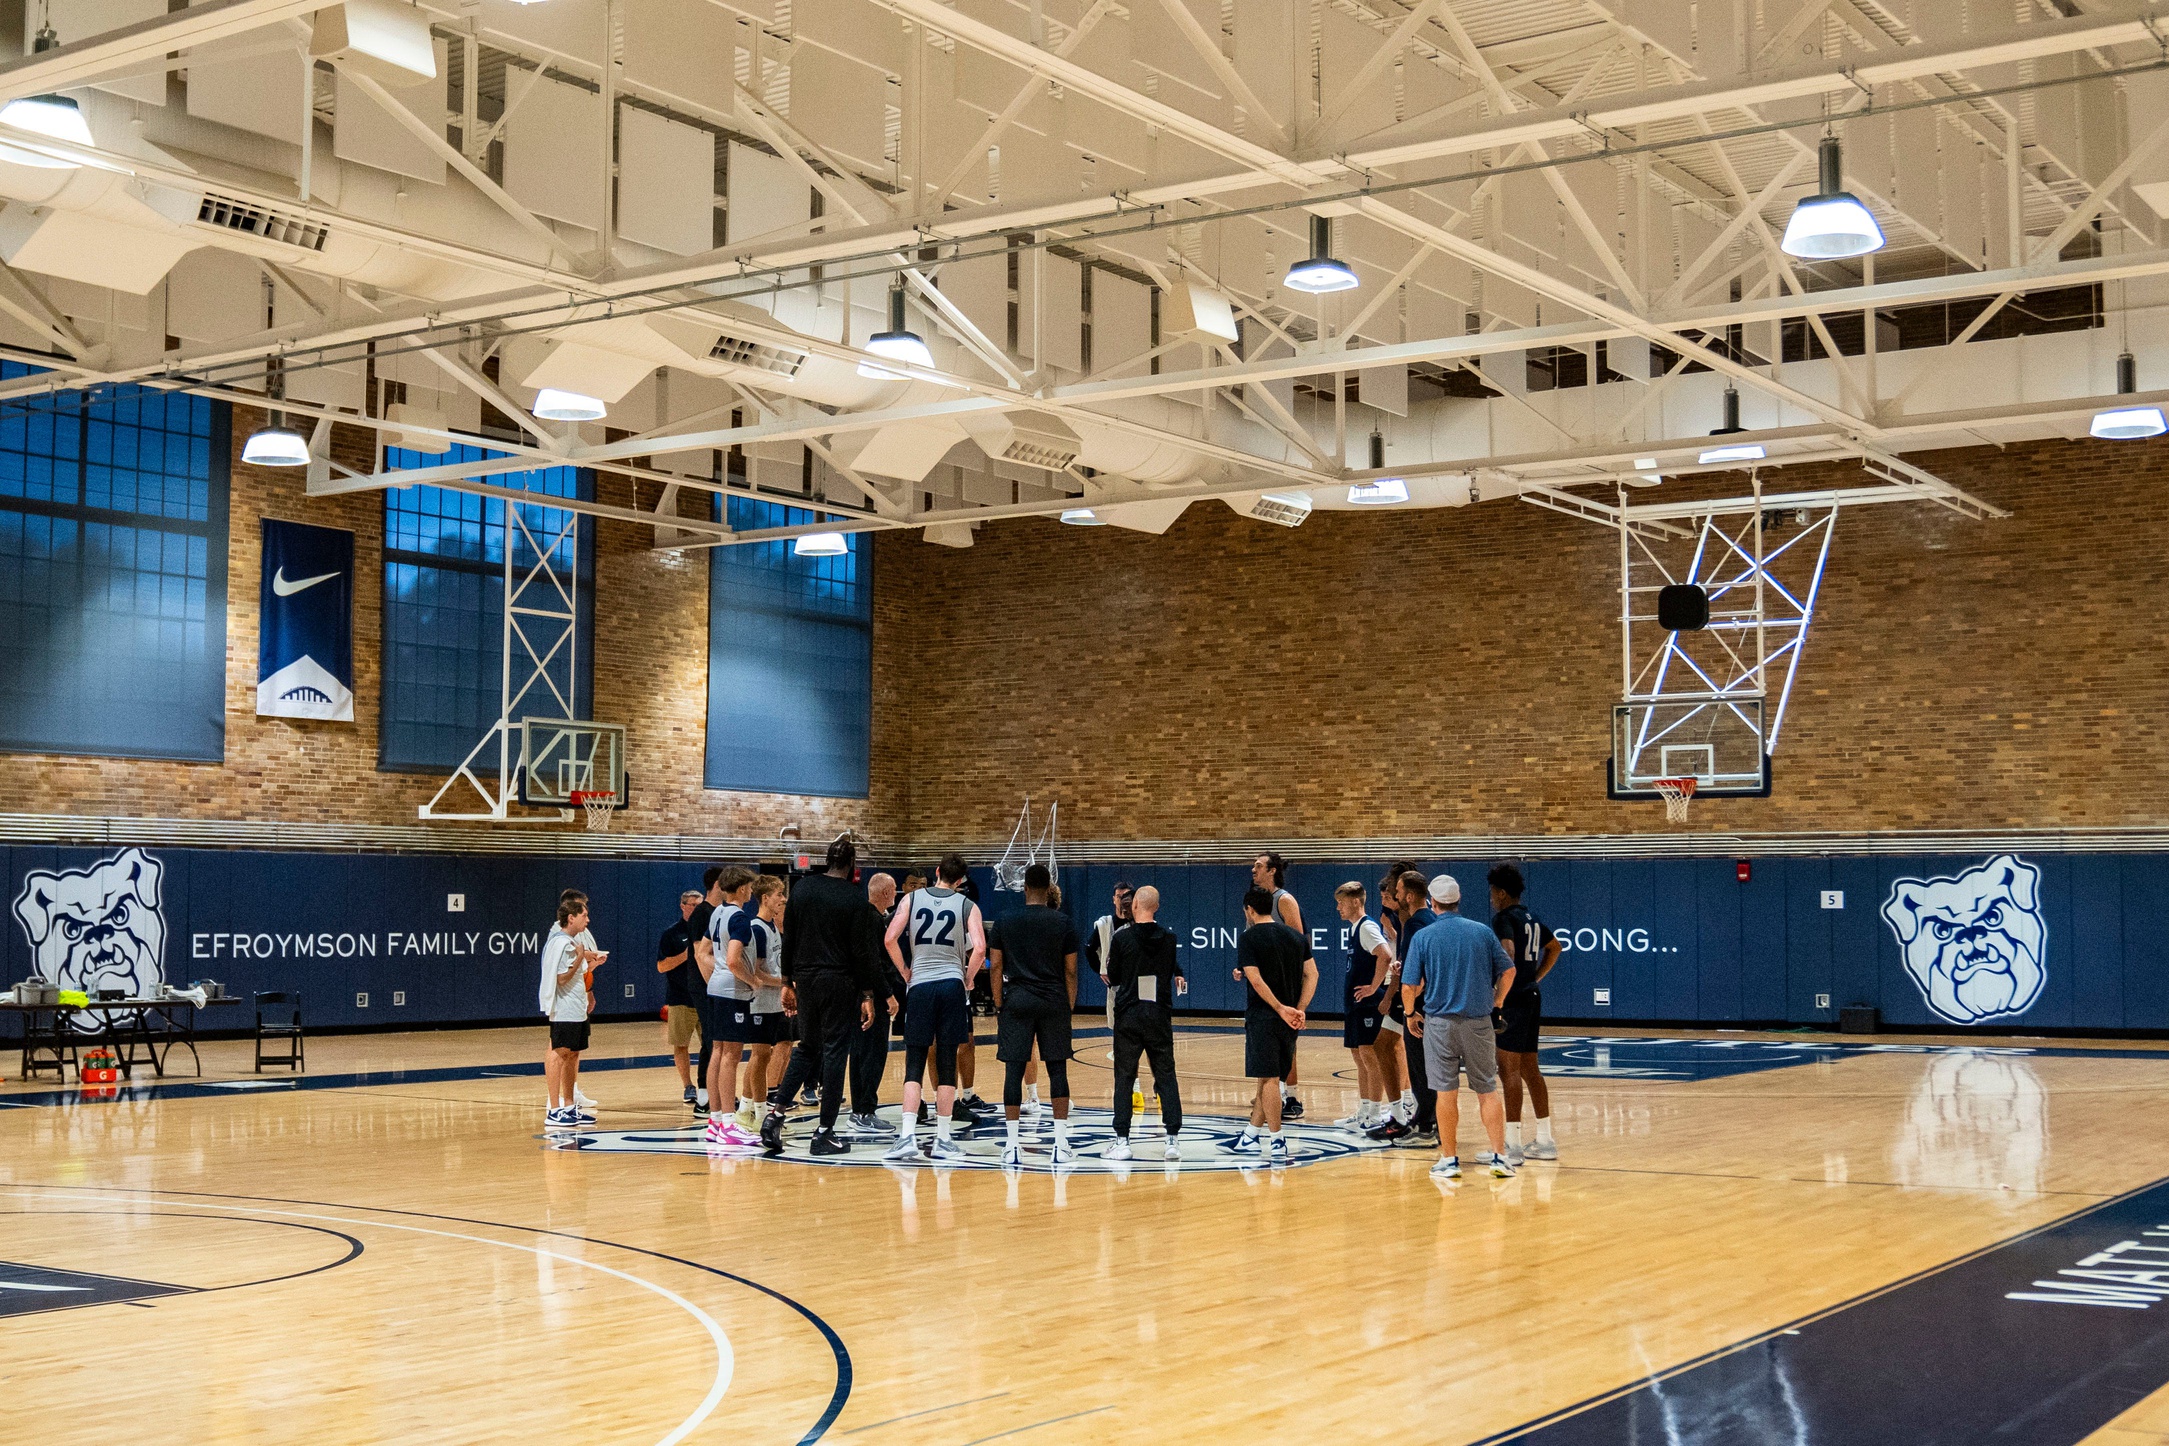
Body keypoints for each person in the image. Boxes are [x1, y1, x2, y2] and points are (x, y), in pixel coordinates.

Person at [760, 835, 884, 1157]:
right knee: (834, 1053)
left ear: (826, 860)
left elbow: (790, 937)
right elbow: (862, 953)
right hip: (839, 981)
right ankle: (825, 1132)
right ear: (853, 865)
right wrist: (867, 993)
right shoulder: (855, 898)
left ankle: (774, 1116)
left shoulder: (802, 889)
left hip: (806, 979)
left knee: (807, 1047)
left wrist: (788, 981)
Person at [1401, 874, 1517, 1180]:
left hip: (1439, 1025)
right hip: (1479, 1023)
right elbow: (1509, 972)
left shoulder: (1423, 937)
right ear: (1458, 900)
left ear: (1432, 902)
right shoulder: (1482, 933)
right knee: (1487, 1092)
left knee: (1445, 1094)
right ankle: (1499, 1157)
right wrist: (1497, 1003)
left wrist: (1412, 1013)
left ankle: (1450, 1161)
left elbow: (1409, 984)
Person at [883, 854, 985, 1163]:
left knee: (914, 1061)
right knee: (946, 1062)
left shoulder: (912, 899)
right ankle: (943, 1139)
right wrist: (967, 978)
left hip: (921, 985)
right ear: (960, 881)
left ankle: (906, 1138)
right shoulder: (968, 905)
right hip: (952, 985)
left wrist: (904, 971)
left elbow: (890, 938)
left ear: (937, 872)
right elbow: (980, 948)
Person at [989, 863, 1079, 1168]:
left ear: (1024, 887)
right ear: (1048, 887)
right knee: (1058, 1071)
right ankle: (1061, 1144)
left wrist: (1000, 1003)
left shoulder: (1004, 920)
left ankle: (1012, 1145)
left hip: (1016, 999)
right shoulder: (1063, 922)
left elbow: (996, 966)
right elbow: (1071, 970)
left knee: (1013, 1072)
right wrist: (1068, 1005)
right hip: (1054, 999)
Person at [1232, 886, 1316, 1165]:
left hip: (1265, 1016)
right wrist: (1300, 1010)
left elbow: (1255, 981)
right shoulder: (1295, 936)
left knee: (1268, 1079)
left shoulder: (1248, 937)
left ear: (1250, 910)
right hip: (1290, 1019)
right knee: (1268, 1077)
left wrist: (1280, 1008)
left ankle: (1277, 1140)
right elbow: (1312, 974)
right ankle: (1250, 1135)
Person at [1103, 884, 1185, 1162]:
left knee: (1124, 1077)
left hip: (1128, 1014)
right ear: (1157, 907)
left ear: (1134, 905)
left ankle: (1122, 1141)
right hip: (1158, 1014)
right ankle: (1172, 1140)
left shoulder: (1122, 939)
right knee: (1166, 1075)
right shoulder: (1169, 939)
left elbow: (1113, 976)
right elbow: (1168, 969)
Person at [1489, 863, 1562, 1164]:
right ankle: (1545, 1141)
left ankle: (1512, 1145)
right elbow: (1555, 947)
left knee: (1509, 1071)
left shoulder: (1503, 919)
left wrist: (1499, 996)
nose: (1491, 898)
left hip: (1513, 998)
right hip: (1531, 994)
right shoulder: (1532, 917)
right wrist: (1535, 977)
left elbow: (1506, 954)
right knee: (1530, 1068)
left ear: (1502, 893)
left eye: (1493, 893)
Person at [1370, 869, 1439, 1148]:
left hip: (1420, 1007)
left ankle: (1424, 1126)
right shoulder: (1430, 919)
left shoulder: (1415, 924)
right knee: (1427, 1069)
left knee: (1420, 1068)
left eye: (1396, 892)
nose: (1394, 896)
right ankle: (1423, 1119)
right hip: (1432, 1005)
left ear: (1408, 895)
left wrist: (1410, 1009)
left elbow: (1418, 975)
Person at [697, 867, 760, 1148]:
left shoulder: (716, 913)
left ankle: (715, 1120)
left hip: (716, 989)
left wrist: (716, 978)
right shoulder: (740, 918)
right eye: (749, 886)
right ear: (744, 888)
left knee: (717, 1052)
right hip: (732, 990)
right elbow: (734, 961)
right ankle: (729, 1124)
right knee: (731, 1055)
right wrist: (753, 980)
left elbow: (703, 952)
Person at [1333, 881, 1395, 1131]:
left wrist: (1373, 986)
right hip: (1356, 1004)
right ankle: (1364, 1109)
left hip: (1368, 1003)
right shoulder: (1355, 928)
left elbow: (1386, 954)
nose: (1338, 908)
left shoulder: (1367, 927)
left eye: (1341, 902)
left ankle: (1375, 1114)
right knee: (1359, 1057)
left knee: (1370, 1057)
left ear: (1356, 902)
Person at [1251, 853, 1307, 1119]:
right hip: (1262, 983)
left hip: (1283, 982)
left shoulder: (1283, 900)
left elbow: (1298, 942)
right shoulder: (1256, 901)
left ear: (1272, 871)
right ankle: (1271, 1091)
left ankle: (1292, 1097)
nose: (1253, 869)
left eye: (1258, 866)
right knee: (1264, 1042)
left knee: (1286, 1039)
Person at [540, 896, 603, 1128]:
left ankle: (569, 1106)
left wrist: (592, 962)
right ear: (571, 917)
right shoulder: (561, 943)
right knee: (559, 1052)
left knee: (574, 1054)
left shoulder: (571, 942)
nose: (588, 919)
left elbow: (576, 975)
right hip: (564, 1009)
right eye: (584, 915)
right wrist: (579, 958)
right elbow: (562, 978)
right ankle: (554, 1109)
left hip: (577, 1009)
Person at [849, 872, 903, 1133]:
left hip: (862, 994)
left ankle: (859, 1110)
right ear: (884, 893)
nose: (895, 894)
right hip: (872, 996)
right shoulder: (872, 919)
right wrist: (886, 994)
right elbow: (872, 963)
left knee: (861, 1052)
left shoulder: (866, 916)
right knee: (872, 1054)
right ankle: (865, 1112)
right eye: (893, 890)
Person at [656, 889, 704, 1107]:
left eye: (699, 904)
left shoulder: (708, 930)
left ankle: (708, 1085)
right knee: (681, 1044)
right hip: (680, 997)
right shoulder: (672, 934)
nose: (695, 908)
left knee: (712, 1044)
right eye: (691, 904)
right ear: (683, 906)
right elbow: (661, 966)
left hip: (706, 996)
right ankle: (688, 1085)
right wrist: (687, 955)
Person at [686, 867, 726, 1117]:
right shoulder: (702, 913)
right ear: (718, 884)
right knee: (713, 1038)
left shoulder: (721, 912)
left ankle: (705, 1093)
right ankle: (711, 1097)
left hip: (715, 984)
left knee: (713, 1037)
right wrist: (715, 988)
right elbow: (701, 954)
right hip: (705, 984)